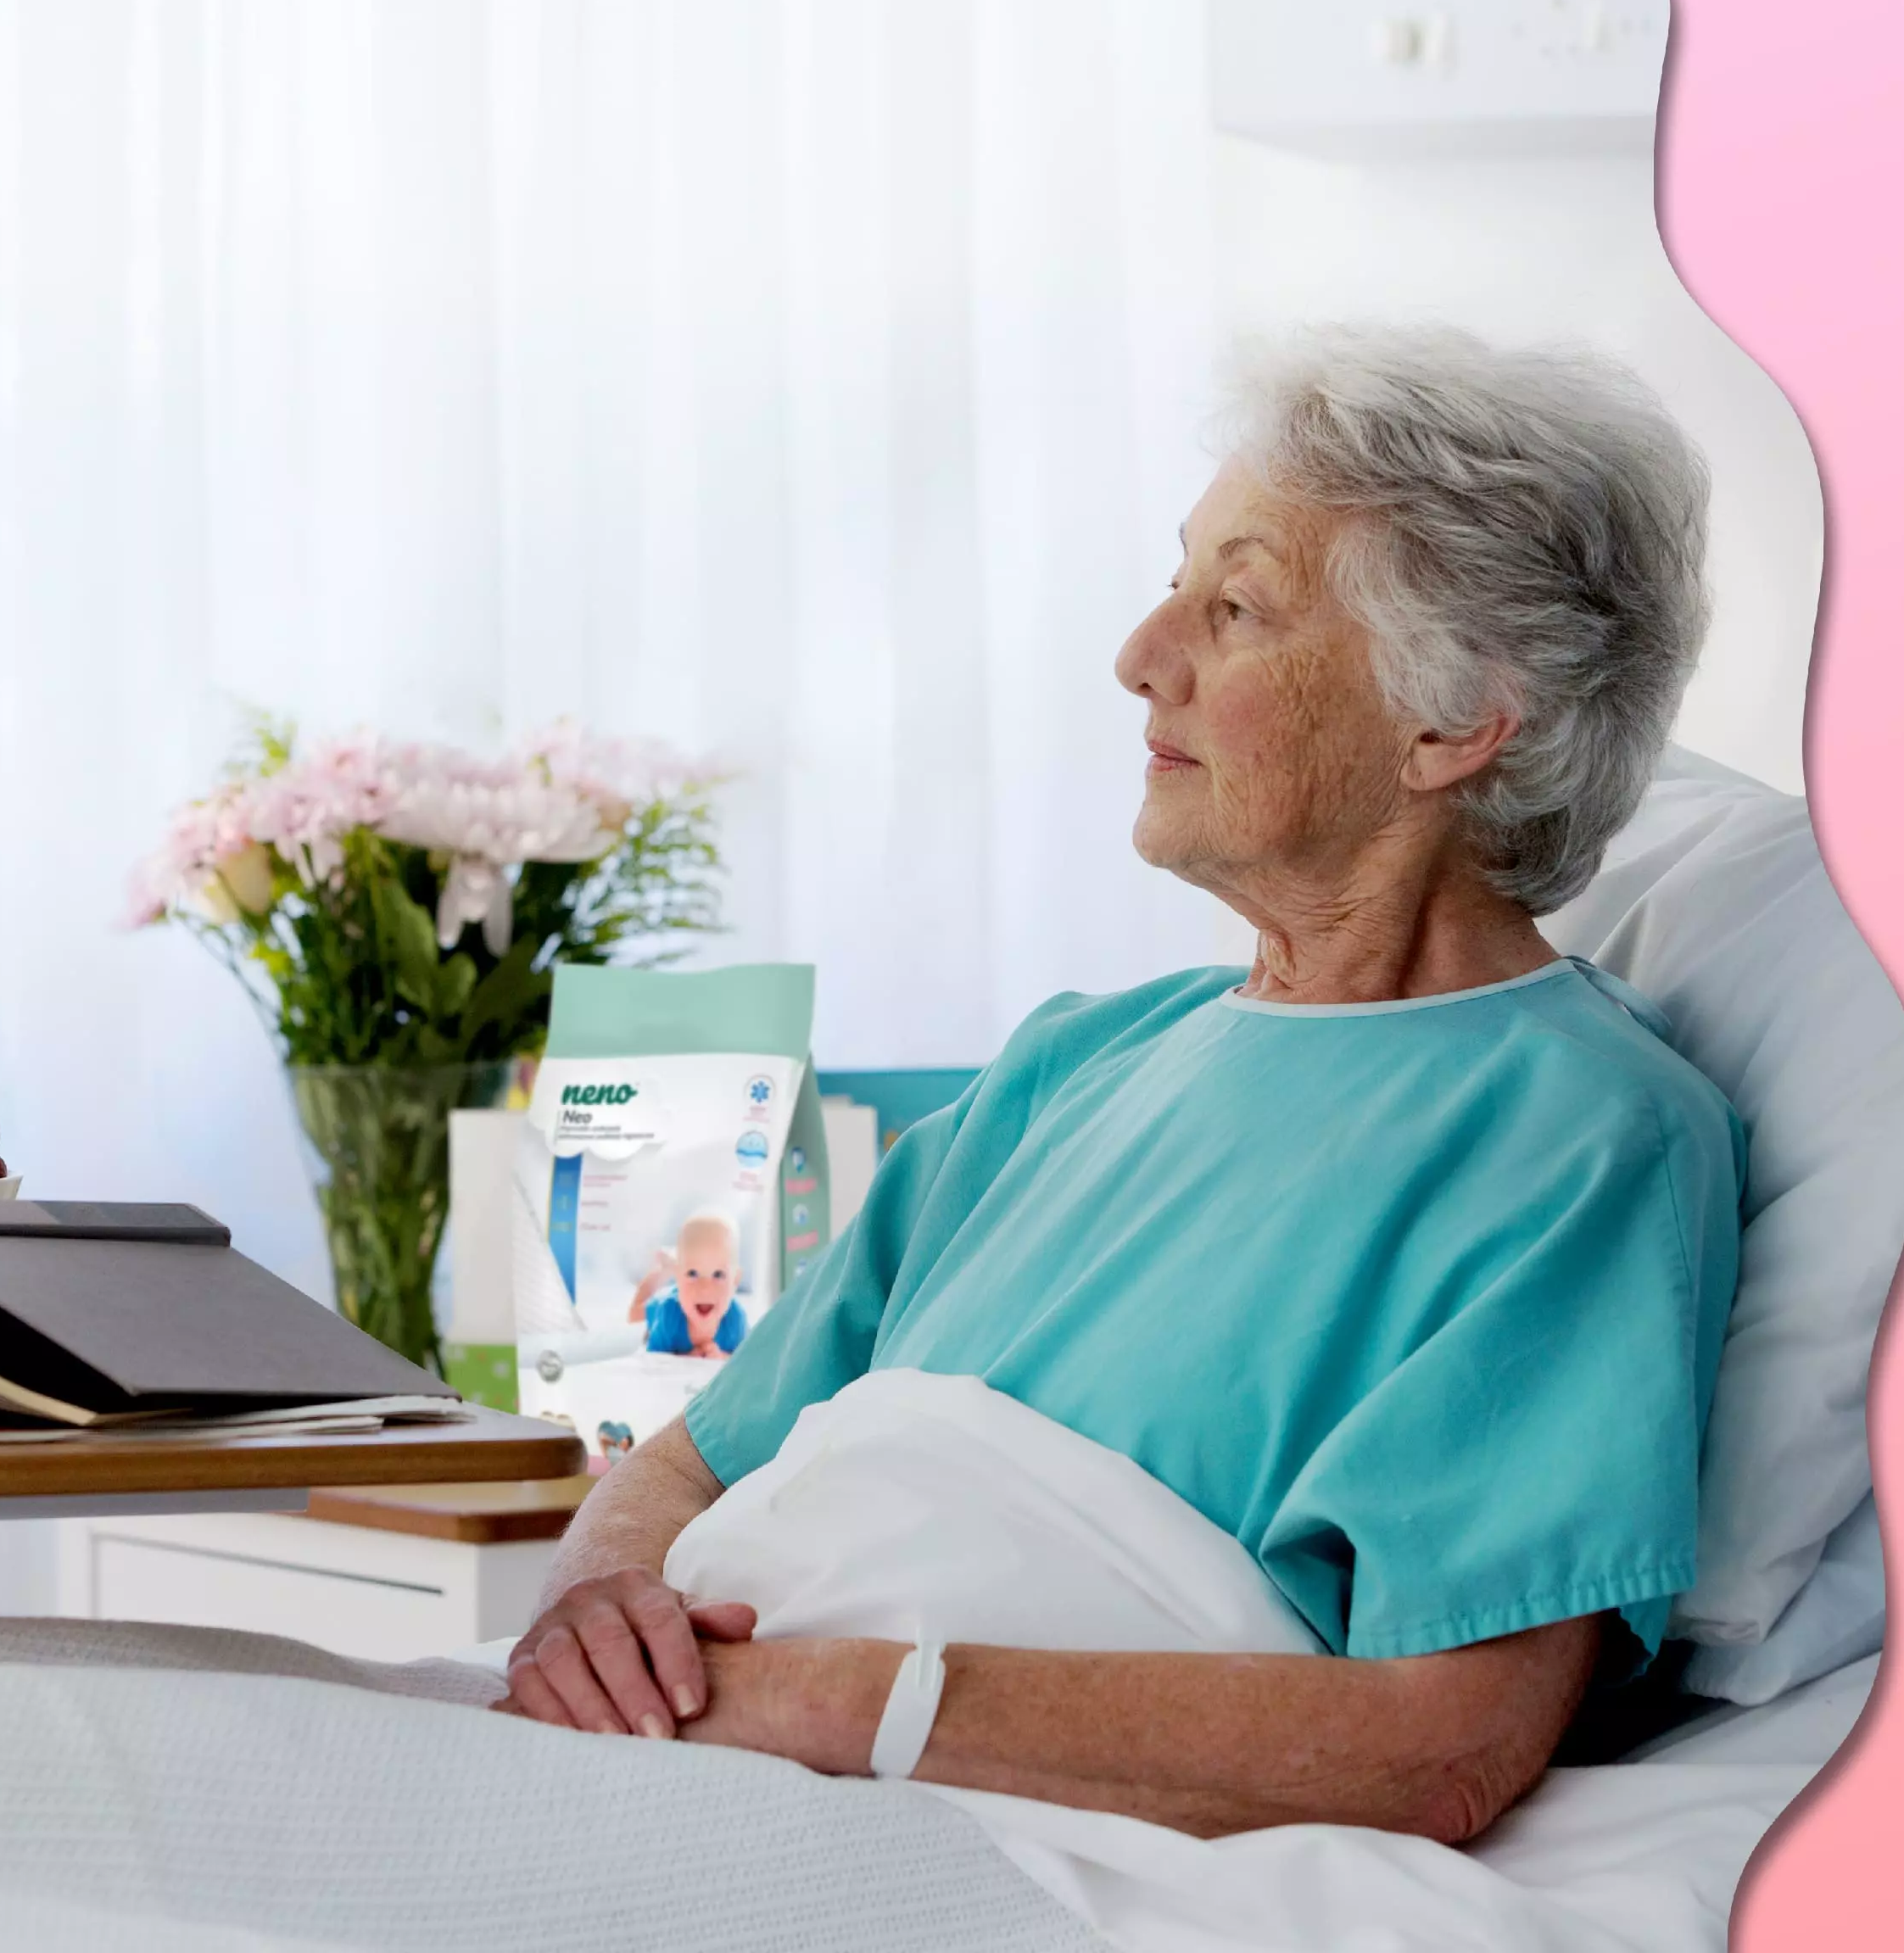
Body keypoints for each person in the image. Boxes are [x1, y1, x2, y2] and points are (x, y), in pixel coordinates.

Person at [497, 325, 1743, 1847]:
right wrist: (594, 1605)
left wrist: (821, 1702)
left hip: (883, 1811)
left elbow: (1440, 1748)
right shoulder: (1074, 1064)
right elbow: (692, 1458)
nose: (1142, 656)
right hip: (660, 1757)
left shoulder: (1575, 1137)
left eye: (1235, 607)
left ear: (1452, 721)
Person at [627, 1210, 749, 1359]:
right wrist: (686, 1356)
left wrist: (721, 1356)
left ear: (735, 1280)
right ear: (678, 1277)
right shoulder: (668, 1314)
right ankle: (665, 1269)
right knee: (634, 1315)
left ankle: (679, 1266)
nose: (704, 1288)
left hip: (686, 1293)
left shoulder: (736, 1320)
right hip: (666, 1308)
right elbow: (655, 1363)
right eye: (693, 1273)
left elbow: (743, 1363)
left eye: (718, 1274)